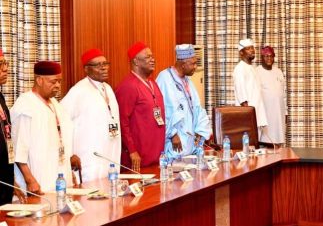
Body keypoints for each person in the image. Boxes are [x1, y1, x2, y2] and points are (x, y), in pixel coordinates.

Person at [11, 61, 80, 194]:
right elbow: (19, 148)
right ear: (39, 80)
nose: (58, 86)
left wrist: (67, 170)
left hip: (58, 179)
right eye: (53, 82)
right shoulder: (25, 105)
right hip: (38, 182)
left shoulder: (55, 104)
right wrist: (30, 180)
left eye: (59, 81)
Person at [61, 49, 121, 182]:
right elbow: (61, 121)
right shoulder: (78, 91)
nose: (104, 67)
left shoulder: (108, 88)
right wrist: (69, 154)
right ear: (86, 69)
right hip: (89, 156)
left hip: (109, 151)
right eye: (98, 65)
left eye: (105, 63)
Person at [115, 42, 165, 171]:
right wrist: (132, 150)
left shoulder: (152, 83)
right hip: (138, 159)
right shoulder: (128, 86)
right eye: (147, 57)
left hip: (156, 155)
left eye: (152, 56)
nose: (152, 60)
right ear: (136, 61)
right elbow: (122, 121)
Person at [156, 44, 211, 159]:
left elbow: (197, 108)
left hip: (189, 143)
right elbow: (161, 110)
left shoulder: (188, 81)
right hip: (174, 142)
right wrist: (172, 134)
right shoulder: (165, 78)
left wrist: (200, 131)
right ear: (182, 64)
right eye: (192, 63)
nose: (195, 67)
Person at [232, 39, 268, 129]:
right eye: (248, 48)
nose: (252, 50)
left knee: (257, 143)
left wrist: (261, 117)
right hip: (248, 119)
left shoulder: (252, 68)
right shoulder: (240, 69)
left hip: (257, 117)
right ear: (241, 53)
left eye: (252, 48)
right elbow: (243, 99)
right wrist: (249, 120)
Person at [256, 46, 287, 146]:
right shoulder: (256, 72)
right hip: (265, 114)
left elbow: (283, 94)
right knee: (266, 141)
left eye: (271, 56)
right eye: (266, 56)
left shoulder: (278, 71)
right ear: (262, 58)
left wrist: (285, 112)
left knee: (278, 141)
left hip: (279, 113)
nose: (269, 58)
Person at [0, 49, 14, 204]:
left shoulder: (1, 98)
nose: (5, 69)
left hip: (5, 181)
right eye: (0, 64)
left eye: (5, 63)